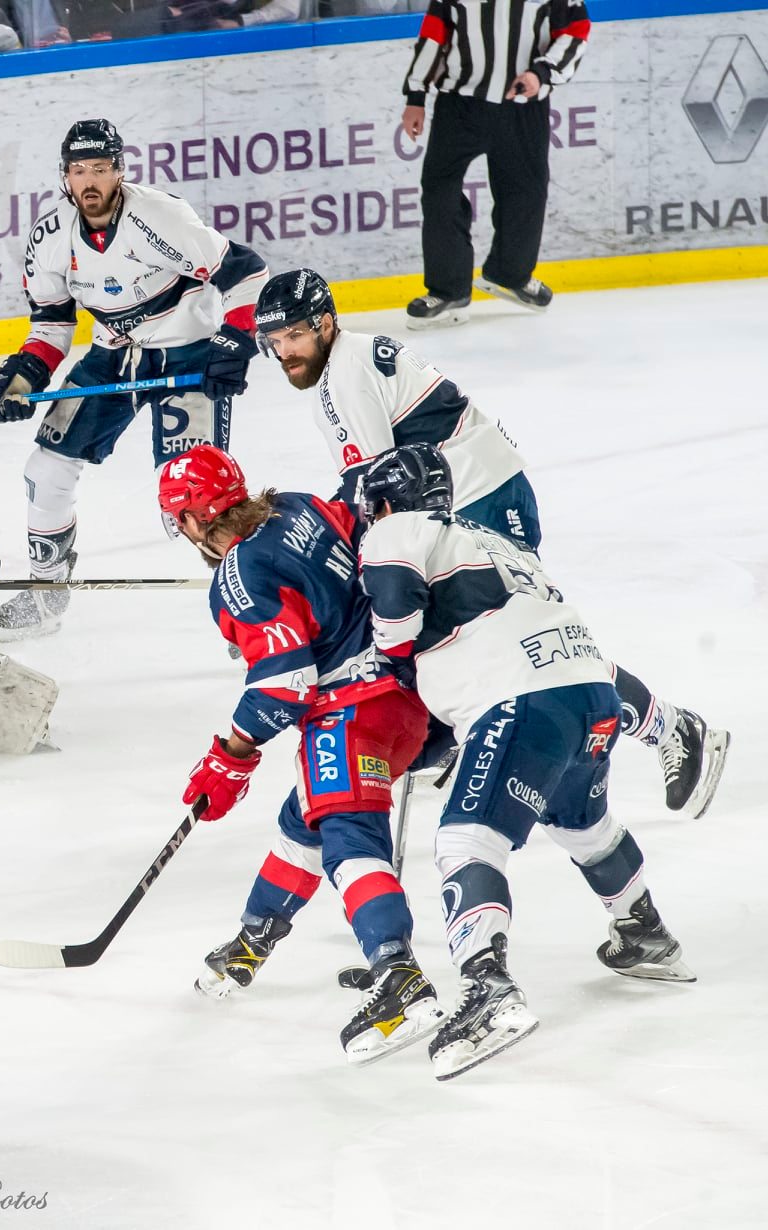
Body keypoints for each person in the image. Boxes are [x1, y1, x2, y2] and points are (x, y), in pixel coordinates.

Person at [252, 268, 729, 817]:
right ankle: (471, 724)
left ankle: (671, 726)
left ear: (325, 324)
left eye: (295, 335)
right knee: (493, 637)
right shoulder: (350, 358)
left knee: (533, 638)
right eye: (276, 341)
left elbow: (372, 487)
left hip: (478, 498)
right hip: (475, 495)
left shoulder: (342, 376)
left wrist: (313, 556)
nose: (286, 350)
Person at [356, 443, 693, 1080]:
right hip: (592, 691)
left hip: (519, 700)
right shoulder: (487, 538)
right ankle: (643, 931)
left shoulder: (399, 528)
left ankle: (489, 989)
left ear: (385, 501)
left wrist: (390, 664)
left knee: (467, 842)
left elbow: (396, 614)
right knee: (581, 826)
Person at [159, 445, 443, 1066]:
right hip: (409, 702)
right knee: (304, 822)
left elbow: (286, 684)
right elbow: (361, 527)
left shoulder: (238, 575)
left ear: (190, 518)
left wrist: (229, 757)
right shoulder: (299, 506)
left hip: (351, 718)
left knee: (348, 839)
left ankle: (400, 977)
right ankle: (251, 942)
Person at [0, 118, 266, 641]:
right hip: (113, 355)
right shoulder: (50, 236)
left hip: (187, 353)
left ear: (119, 171)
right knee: (45, 469)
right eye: (78, 170)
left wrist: (235, 341)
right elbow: (52, 323)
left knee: (198, 494)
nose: (88, 181)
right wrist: (25, 374)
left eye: (100, 169)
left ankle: (250, 611)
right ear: (64, 176)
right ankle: (47, 597)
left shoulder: (162, 217)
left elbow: (246, 272)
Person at [400, 0, 591, 327]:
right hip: (459, 104)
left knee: (526, 192)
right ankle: (448, 290)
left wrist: (540, 74)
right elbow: (435, 33)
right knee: (439, 189)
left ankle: (510, 273)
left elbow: (575, 32)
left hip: (523, 105)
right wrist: (415, 96)